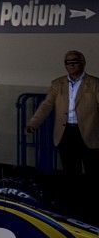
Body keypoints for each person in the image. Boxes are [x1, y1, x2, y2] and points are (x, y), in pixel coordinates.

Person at [26, 50, 99, 180]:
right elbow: (46, 105)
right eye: (67, 62)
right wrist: (34, 123)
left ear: (83, 63)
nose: (71, 65)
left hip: (89, 133)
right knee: (69, 170)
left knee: (92, 170)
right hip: (65, 133)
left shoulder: (95, 83)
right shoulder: (57, 83)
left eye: (75, 62)